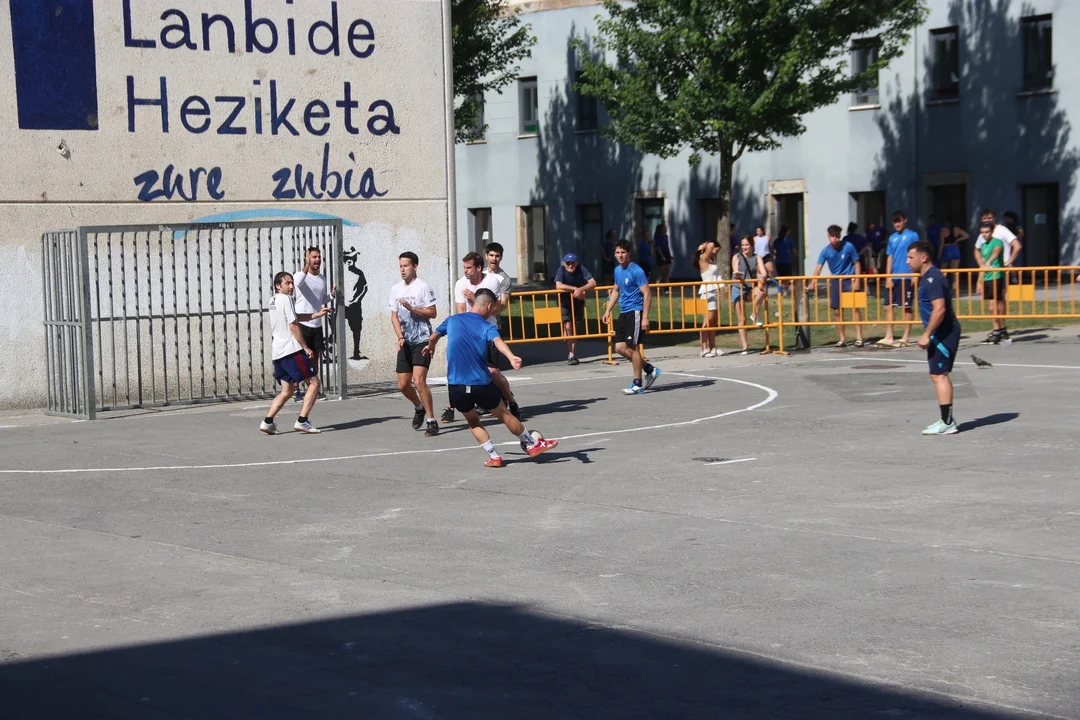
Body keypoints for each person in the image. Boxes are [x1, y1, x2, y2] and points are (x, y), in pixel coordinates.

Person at [424, 289, 558, 467]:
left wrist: (431, 346)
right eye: (494, 308)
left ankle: (494, 456)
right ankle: (532, 443)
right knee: (504, 414)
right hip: (480, 383)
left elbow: (434, 336)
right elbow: (498, 342)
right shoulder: (486, 326)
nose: (494, 311)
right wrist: (511, 357)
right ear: (488, 306)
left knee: (473, 422)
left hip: (456, 386)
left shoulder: (452, 320)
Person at [440, 252, 521, 423]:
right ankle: (452, 407)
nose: (465, 271)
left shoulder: (492, 282)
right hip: (467, 333)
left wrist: (474, 298)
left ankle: (511, 400)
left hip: (486, 331)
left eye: (469, 268)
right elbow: (461, 312)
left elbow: (495, 309)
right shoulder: (460, 284)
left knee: (493, 372)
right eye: (464, 267)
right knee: (456, 368)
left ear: (478, 268)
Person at [260, 272, 330, 435]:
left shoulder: (273, 300)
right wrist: (305, 347)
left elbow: (295, 317)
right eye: (287, 283)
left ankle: (267, 422)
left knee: (287, 391)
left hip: (278, 352)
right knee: (314, 383)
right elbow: (293, 326)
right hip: (291, 350)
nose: (291, 286)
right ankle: (302, 421)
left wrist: (315, 314)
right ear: (278, 285)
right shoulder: (286, 299)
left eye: (292, 283)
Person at [907, 240, 961, 435]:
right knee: (937, 375)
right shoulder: (928, 277)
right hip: (939, 333)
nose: (907, 261)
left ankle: (947, 422)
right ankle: (946, 419)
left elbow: (940, 309)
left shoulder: (933, 278)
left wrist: (926, 334)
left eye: (910, 257)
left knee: (940, 375)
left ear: (923, 258)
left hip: (943, 333)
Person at [389, 252, 440, 437]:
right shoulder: (395, 289)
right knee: (403, 385)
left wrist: (413, 309)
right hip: (406, 341)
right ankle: (419, 408)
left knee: (419, 380)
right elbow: (394, 317)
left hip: (422, 340)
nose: (402, 269)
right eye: (400, 266)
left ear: (415, 267)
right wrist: (400, 337)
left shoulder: (423, 287)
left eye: (406, 266)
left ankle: (431, 420)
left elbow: (432, 312)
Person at [602, 240, 661, 394]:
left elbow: (647, 294)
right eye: (617, 252)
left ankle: (637, 384)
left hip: (635, 311)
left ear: (629, 253)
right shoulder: (617, 270)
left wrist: (645, 317)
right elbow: (616, 290)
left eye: (623, 252)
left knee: (631, 347)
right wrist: (608, 310)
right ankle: (649, 369)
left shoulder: (637, 271)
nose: (620, 255)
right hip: (624, 312)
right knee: (619, 348)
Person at [807, 225, 865, 347]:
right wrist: (813, 282)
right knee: (837, 311)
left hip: (849, 279)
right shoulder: (825, 251)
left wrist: (857, 280)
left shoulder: (848, 246)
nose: (835, 239)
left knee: (855, 308)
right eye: (833, 236)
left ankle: (859, 338)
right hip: (836, 281)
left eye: (837, 236)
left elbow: (857, 263)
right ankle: (842, 339)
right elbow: (818, 268)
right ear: (829, 236)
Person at [292, 247, 336, 375]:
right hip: (303, 324)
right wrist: (306, 264)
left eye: (319, 257)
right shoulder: (300, 276)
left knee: (315, 359)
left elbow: (320, 299)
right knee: (300, 359)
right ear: (307, 258)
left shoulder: (322, 278)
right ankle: (298, 386)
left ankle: (314, 385)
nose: (317, 260)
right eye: (314, 257)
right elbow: (297, 283)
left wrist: (332, 295)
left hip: (317, 324)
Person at [879, 211, 919, 347]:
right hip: (894, 276)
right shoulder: (892, 238)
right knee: (888, 306)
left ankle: (906, 336)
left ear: (904, 220)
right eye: (895, 222)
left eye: (899, 221)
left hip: (907, 276)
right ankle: (889, 336)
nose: (897, 224)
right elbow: (890, 257)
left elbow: (917, 255)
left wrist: (914, 274)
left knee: (906, 307)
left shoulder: (913, 235)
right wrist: (888, 277)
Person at [553, 253, 597, 365]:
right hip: (564, 303)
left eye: (572, 263)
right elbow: (558, 285)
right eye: (568, 263)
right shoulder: (561, 270)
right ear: (564, 264)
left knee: (574, 329)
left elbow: (593, 282)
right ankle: (571, 355)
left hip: (578, 303)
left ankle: (572, 350)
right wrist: (575, 289)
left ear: (576, 263)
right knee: (568, 327)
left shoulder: (581, 268)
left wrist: (581, 289)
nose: (570, 266)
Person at [975, 221, 1009, 345]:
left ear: (992, 232)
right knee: (991, 307)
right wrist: (979, 282)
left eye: (987, 232)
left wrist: (990, 261)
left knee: (995, 305)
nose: (984, 235)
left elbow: (996, 251)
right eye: (982, 233)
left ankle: (998, 330)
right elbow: (982, 265)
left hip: (996, 276)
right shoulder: (983, 245)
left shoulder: (997, 242)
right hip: (987, 277)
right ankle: (1000, 330)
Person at [730, 236, 766, 354]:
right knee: (742, 319)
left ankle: (754, 315)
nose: (744, 247)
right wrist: (737, 274)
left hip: (750, 288)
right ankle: (745, 347)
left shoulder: (757, 257)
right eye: (743, 245)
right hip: (738, 288)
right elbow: (735, 269)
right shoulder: (737, 256)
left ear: (752, 246)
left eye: (747, 245)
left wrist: (762, 276)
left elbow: (763, 272)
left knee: (761, 292)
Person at [693, 238, 722, 357]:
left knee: (713, 321)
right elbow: (710, 246)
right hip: (706, 292)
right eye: (714, 249)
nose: (715, 251)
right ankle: (703, 348)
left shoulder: (712, 259)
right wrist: (703, 247)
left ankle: (713, 347)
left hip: (714, 291)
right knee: (707, 321)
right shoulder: (703, 258)